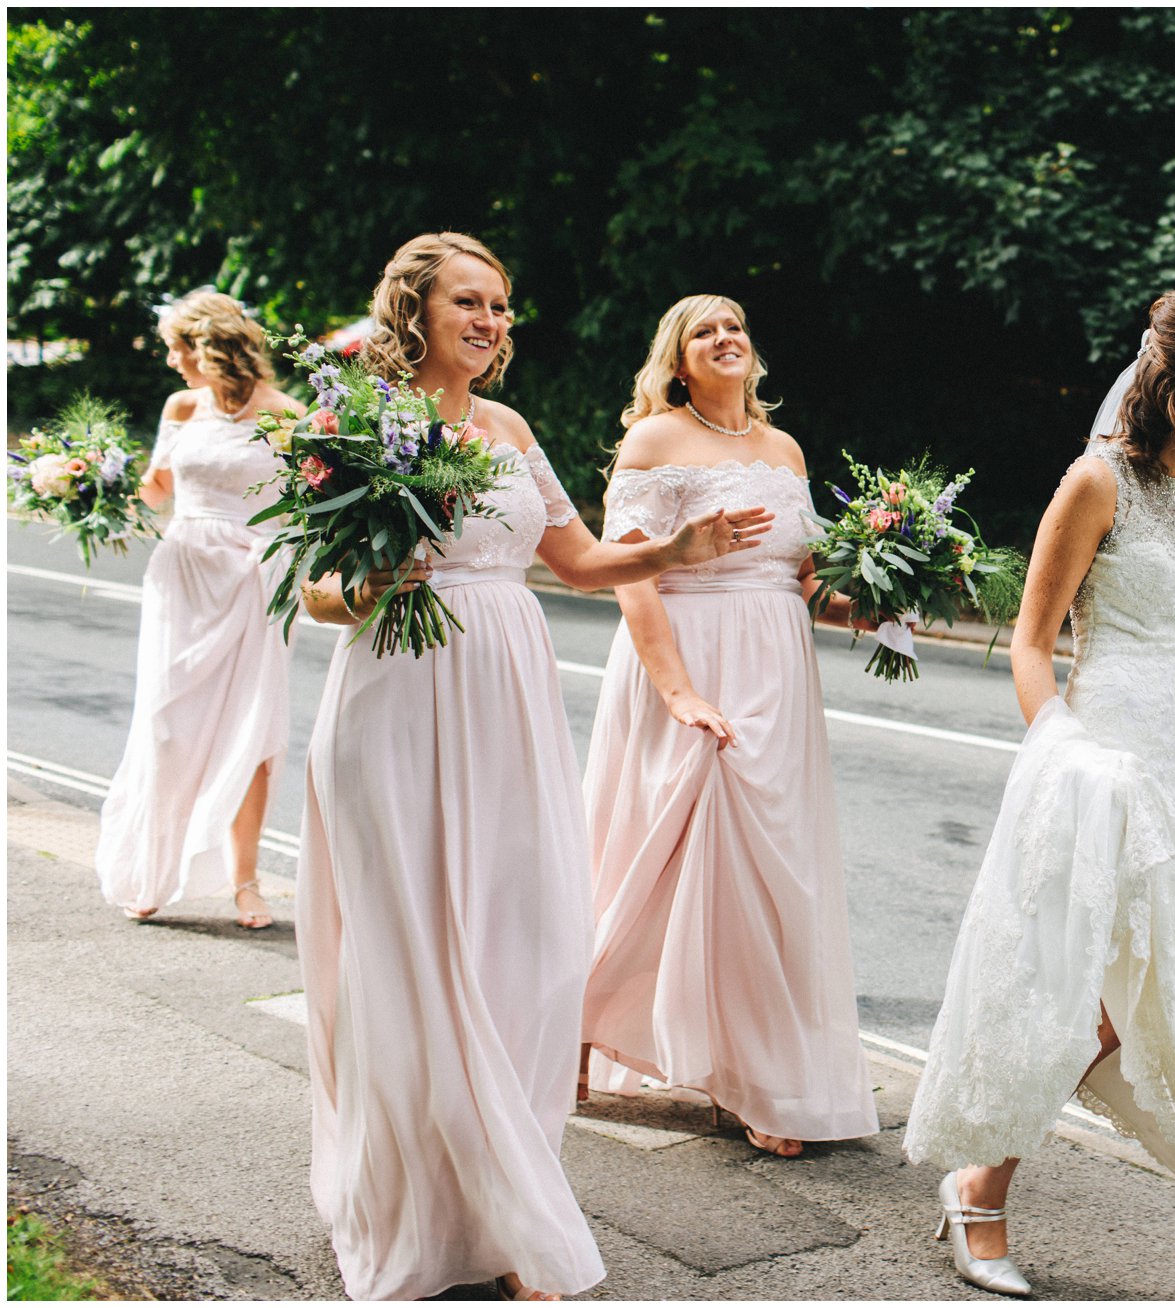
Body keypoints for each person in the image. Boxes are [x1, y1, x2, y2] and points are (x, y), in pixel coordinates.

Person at [296, 235, 774, 1303]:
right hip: (397, 704)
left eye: (503, 307)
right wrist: (369, 587)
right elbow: (313, 593)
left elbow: (579, 562)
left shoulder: (508, 430)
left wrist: (676, 551)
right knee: (417, 950)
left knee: (528, 944)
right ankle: (465, 1217)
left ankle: (502, 1195)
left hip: (506, 707)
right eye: (469, 302)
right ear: (414, 311)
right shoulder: (352, 427)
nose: (491, 322)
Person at [904, 287, 1175, 1301]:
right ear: (1169, 385)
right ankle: (980, 1188)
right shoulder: (1095, 482)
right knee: (1079, 1008)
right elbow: (1029, 640)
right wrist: (1057, 747)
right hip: (1105, 764)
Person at [578, 294, 879, 1159]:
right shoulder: (654, 442)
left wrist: (876, 609)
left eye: (736, 327)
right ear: (677, 359)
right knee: (658, 853)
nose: (725, 338)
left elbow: (806, 582)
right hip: (691, 661)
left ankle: (761, 1066)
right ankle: (582, 1023)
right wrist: (676, 693)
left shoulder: (783, 450)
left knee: (772, 870)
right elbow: (631, 578)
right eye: (703, 331)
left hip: (778, 676)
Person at [98, 288, 302, 928]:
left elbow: (305, 506)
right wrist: (88, 481)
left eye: (173, 348)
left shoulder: (287, 415)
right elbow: (157, 490)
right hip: (182, 578)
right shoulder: (181, 406)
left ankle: (246, 882)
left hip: (251, 581)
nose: (169, 361)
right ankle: (155, 869)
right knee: (165, 723)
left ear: (204, 347)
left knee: (252, 727)